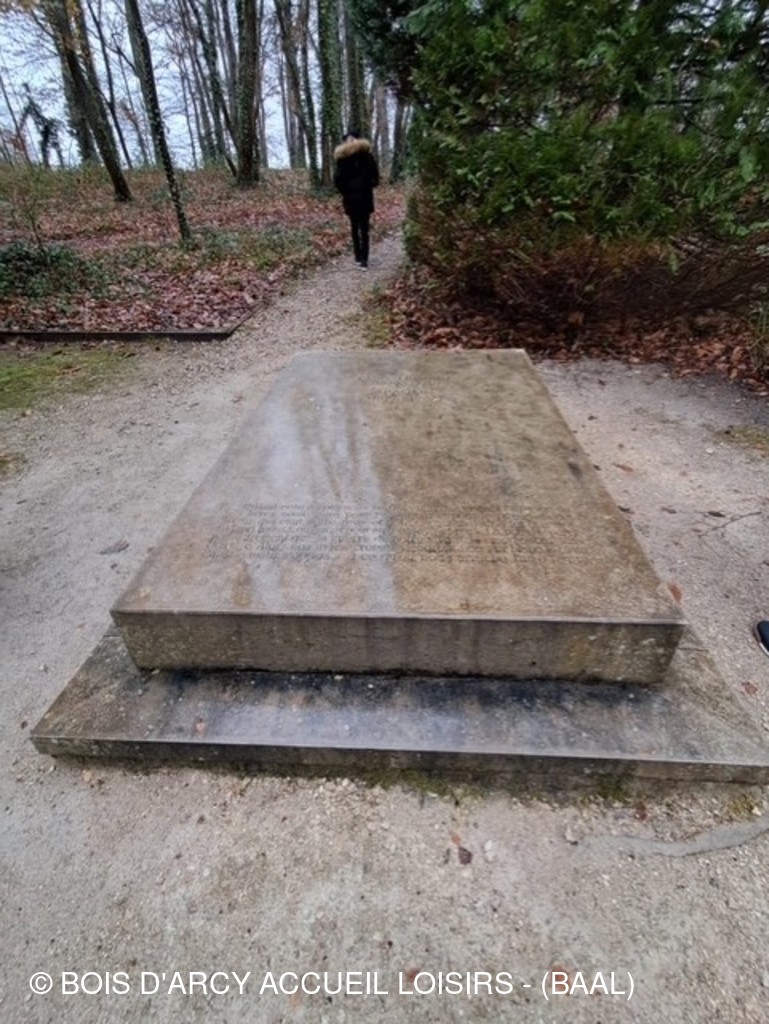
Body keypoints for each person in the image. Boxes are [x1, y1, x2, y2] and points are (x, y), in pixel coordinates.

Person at [333, 130, 379, 269]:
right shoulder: (343, 158)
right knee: (354, 227)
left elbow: (375, 177)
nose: (350, 142)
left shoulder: (367, 156)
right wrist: (346, 191)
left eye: (352, 139)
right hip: (350, 198)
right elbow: (337, 179)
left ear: (358, 140)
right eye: (348, 140)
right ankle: (358, 255)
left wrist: (366, 184)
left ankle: (364, 259)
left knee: (364, 229)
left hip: (364, 196)